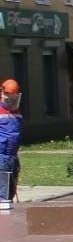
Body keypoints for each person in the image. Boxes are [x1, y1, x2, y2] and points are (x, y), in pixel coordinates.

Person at [0, 79, 21, 211]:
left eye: (13, 95)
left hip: (13, 155)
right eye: (7, 94)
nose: (9, 98)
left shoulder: (16, 110)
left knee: (10, 189)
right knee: (2, 191)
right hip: (1, 155)